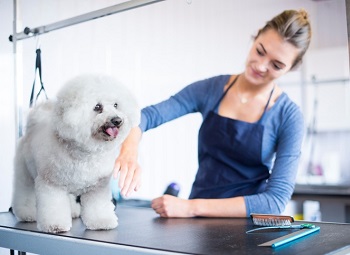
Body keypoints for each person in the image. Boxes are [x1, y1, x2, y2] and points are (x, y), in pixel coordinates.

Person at [114, 9, 312, 218]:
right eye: (260, 51)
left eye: (276, 65)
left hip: (248, 229)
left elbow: (275, 201)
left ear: (291, 68)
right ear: (255, 37)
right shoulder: (211, 89)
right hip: (197, 222)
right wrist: (129, 150)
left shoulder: (289, 116)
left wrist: (191, 207)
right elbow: (147, 116)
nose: (261, 66)